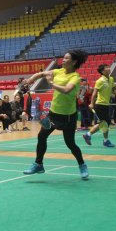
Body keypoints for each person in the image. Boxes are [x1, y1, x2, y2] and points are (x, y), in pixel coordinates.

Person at [22, 50, 89, 179]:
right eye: (63, 58)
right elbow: (41, 74)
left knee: (70, 144)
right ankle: (38, 164)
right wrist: (30, 80)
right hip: (53, 115)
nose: (63, 60)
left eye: (66, 58)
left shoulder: (75, 77)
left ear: (74, 62)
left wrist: (51, 83)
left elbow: (66, 90)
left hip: (68, 117)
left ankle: (82, 165)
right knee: (42, 136)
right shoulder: (58, 71)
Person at [83, 64, 116, 147]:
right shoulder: (100, 81)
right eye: (107, 68)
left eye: (108, 67)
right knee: (104, 123)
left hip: (106, 104)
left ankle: (90, 135)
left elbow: (113, 89)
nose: (109, 68)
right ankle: (101, 139)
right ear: (102, 71)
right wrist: (92, 103)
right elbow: (94, 93)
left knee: (105, 123)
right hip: (100, 105)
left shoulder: (111, 79)